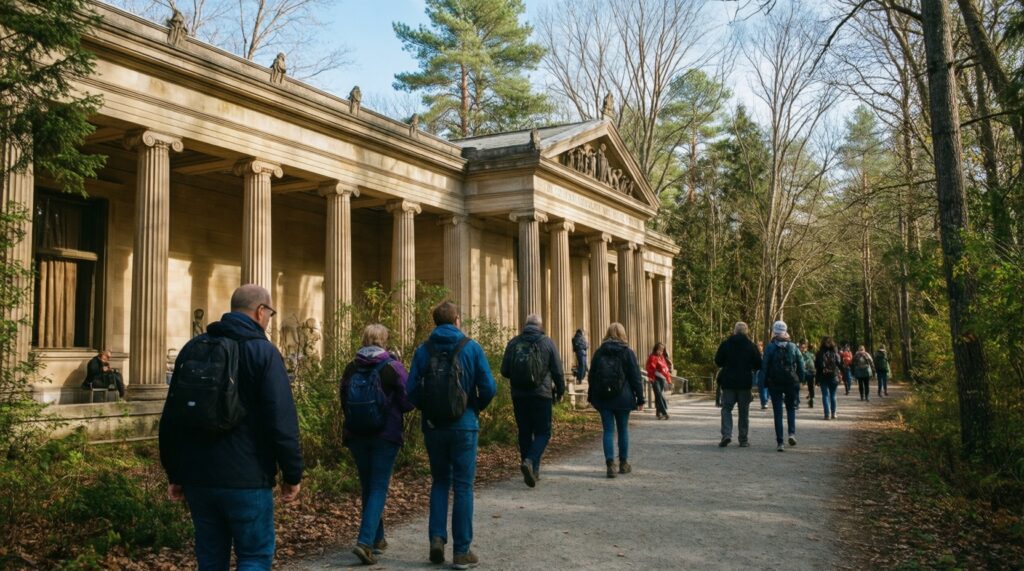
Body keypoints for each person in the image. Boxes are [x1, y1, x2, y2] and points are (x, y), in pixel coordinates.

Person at [159, 284, 303, 570]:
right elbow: (281, 421)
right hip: (247, 478)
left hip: (198, 477)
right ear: (260, 311)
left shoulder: (193, 348)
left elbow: (172, 417)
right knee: (254, 556)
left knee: (210, 559)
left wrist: (175, 472)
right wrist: (292, 474)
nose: (269, 319)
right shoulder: (264, 352)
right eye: (270, 313)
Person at [407, 301, 497, 570]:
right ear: (457, 320)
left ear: (435, 322)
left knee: (439, 482)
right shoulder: (472, 348)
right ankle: (461, 551)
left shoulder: (423, 350)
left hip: (434, 427)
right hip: (464, 425)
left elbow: (410, 390)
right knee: (463, 487)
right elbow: (489, 387)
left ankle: (436, 539)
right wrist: (474, 406)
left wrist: (428, 408)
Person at [340, 324, 414, 566]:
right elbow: (408, 401)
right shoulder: (392, 366)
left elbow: (344, 399)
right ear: (384, 341)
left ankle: (377, 538)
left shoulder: (351, 367)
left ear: (364, 340)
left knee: (368, 486)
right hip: (385, 435)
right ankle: (364, 542)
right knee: (379, 486)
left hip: (356, 435)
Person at [500, 314, 565, 488]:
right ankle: (530, 462)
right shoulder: (547, 342)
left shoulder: (514, 342)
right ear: (540, 326)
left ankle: (531, 469)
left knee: (524, 432)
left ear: (525, 325)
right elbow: (558, 371)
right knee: (543, 432)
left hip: (519, 396)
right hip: (542, 395)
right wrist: (560, 391)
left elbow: (504, 371)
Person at [587, 323, 644, 478]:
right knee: (623, 430)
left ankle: (610, 465)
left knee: (608, 431)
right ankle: (624, 464)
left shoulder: (599, 352)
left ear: (607, 333)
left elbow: (592, 376)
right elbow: (636, 377)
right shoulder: (627, 352)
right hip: (623, 398)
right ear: (623, 334)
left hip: (603, 398)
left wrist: (591, 396)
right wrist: (640, 398)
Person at [714, 322, 761, 448]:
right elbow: (758, 363)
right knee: (743, 412)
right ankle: (743, 439)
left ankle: (726, 434)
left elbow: (718, 361)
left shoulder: (726, 344)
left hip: (728, 382)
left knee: (726, 409)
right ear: (746, 332)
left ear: (734, 331)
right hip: (744, 383)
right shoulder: (751, 346)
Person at [761, 321, 804, 452]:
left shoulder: (770, 347)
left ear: (774, 331)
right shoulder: (793, 346)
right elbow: (801, 363)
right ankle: (791, 434)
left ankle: (780, 442)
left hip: (775, 383)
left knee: (778, 412)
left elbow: (764, 366)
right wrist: (800, 379)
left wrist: (764, 382)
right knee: (790, 408)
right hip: (790, 381)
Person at [815, 337, 841, 420]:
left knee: (825, 395)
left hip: (823, 376)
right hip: (834, 376)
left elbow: (817, 367)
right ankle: (834, 413)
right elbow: (839, 363)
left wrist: (817, 379)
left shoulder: (819, 353)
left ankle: (827, 414)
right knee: (833, 395)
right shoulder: (835, 352)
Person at [645, 342, 673, 420]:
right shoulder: (652, 357)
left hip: (662, 379)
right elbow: (649, 368)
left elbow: (666, 369)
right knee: (659, 394)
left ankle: (658, 413)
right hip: (655, 378)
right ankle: (664, 413)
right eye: (659, 350)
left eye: (662, 350)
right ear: (656, 349)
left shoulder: (662, 358)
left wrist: (669, 380)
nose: (660, 351)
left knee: (658, 396)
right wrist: (652, 376)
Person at [800, 339, 816, 408]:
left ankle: (811, 399)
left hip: (809, 372)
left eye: (804, 347)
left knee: (811, 387)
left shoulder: (809, 354)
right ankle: (797, 400)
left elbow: (814, 362)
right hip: (804, 372)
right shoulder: (799, 353)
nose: (803, 348)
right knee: (798, 386)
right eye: (802, 347)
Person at [755, 340, 769, 409]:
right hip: (759, 372)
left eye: (761, 346)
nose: (759, 347)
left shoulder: (765, 354)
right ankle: (764, 402)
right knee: (761, 388)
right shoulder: (755, 354)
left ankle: (765, 401)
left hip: (765, 372)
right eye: (758, 346)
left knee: (766, 388)